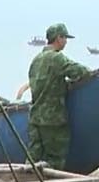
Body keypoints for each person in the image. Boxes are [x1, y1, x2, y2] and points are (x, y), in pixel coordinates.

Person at [26, 23, 90, 170]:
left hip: (35, 119)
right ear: (58, 38)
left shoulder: (36, 60)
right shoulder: (57, 58)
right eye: (65, 38)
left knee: (32, 162)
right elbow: (80, 71)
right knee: (54, 162)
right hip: (53, 121)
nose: (66, 41)